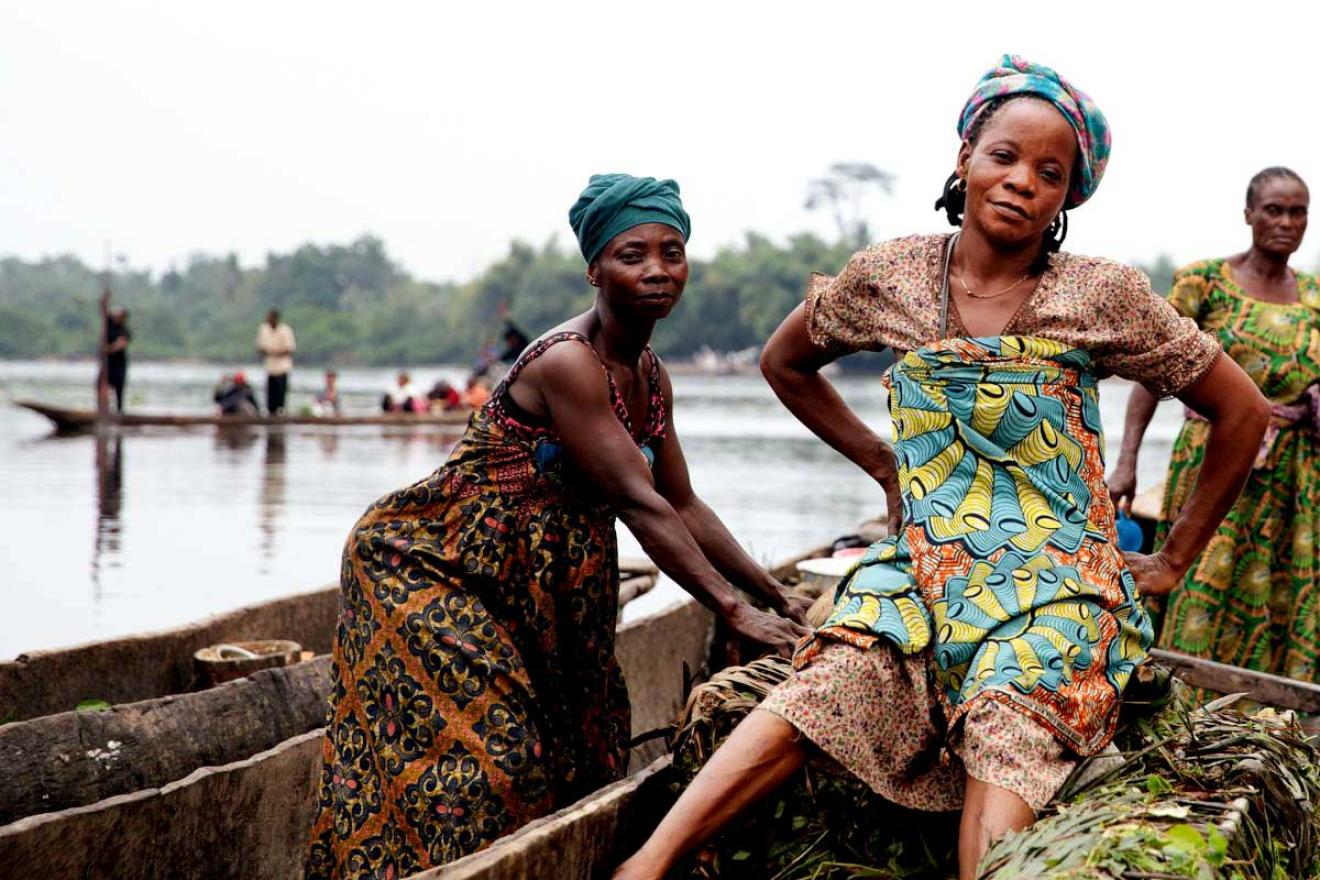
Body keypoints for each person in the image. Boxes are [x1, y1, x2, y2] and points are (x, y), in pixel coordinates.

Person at [614, 56, 1270, 880]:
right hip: (922, 570)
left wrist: (1173, 559)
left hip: (1056, 582)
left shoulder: (1102, 295)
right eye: (1004, 156)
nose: (1021, 182)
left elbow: (1239, 412)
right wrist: (885, 466)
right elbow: (786, 364)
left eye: (1049, 173)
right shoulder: (888, 276)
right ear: (964, 158)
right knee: (826, 684)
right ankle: (644, 865)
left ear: (1068, 198)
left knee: (1005, 720)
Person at [305, 173, 811, 878]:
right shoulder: (570, 363)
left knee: (588, 750)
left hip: (543, 583)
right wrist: (728, 606)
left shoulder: (652, 377)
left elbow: (685, 505)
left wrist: (779, 598)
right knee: (490, 757)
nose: (658, 270)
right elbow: (640, 505)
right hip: (437, 565)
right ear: (594, 270)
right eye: (633, 255)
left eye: (673, 252)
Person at [1108, 168, 1318, 680]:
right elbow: (1151, 371)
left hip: (1296, 475)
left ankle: (1272, 714)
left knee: (1282, 589)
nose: (1286, 222)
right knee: (1200, 573)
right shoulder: (1205, 282)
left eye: (1298, 212)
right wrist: (1127, 461)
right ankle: (1186, 699)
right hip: (1216, 459)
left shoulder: (1314, 296)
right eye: (1273, 210)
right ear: (1248, 214)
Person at [256, 308, 296, 415]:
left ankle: (280, 415)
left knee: (280, 397)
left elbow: (290, 349)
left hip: (282, 368)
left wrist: (275, 352)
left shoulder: (285, 331)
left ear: (276, 319)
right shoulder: (263, 330)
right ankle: (270, 415)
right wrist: (269, 352)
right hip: (270, 368)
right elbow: (260, 348)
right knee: (270, 397)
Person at [104, 307, 131, 413]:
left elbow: (121, 344)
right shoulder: (109, 326)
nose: (117, 316)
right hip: (108, 364)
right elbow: (104, 311)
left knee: (119, 387)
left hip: (119, 364)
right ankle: (104, 410)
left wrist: (108, 349)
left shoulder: (125, 331)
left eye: (120, 315)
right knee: (105, 387)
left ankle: (119, 412)